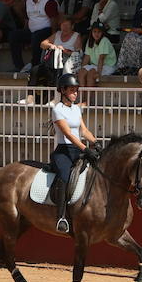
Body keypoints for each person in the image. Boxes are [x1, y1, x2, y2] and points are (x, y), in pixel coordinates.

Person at [49, 73, 96, 234]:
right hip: (64, 152)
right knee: (64, 175)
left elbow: (84, 130)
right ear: (62, 91)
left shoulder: (76, 108)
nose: (75, 93)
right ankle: (61, 217)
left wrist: (96, 143)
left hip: (78, 150)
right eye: (72, 90)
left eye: (76, 90)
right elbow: (68, 134)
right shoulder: (57, 110)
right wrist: (85, 149)